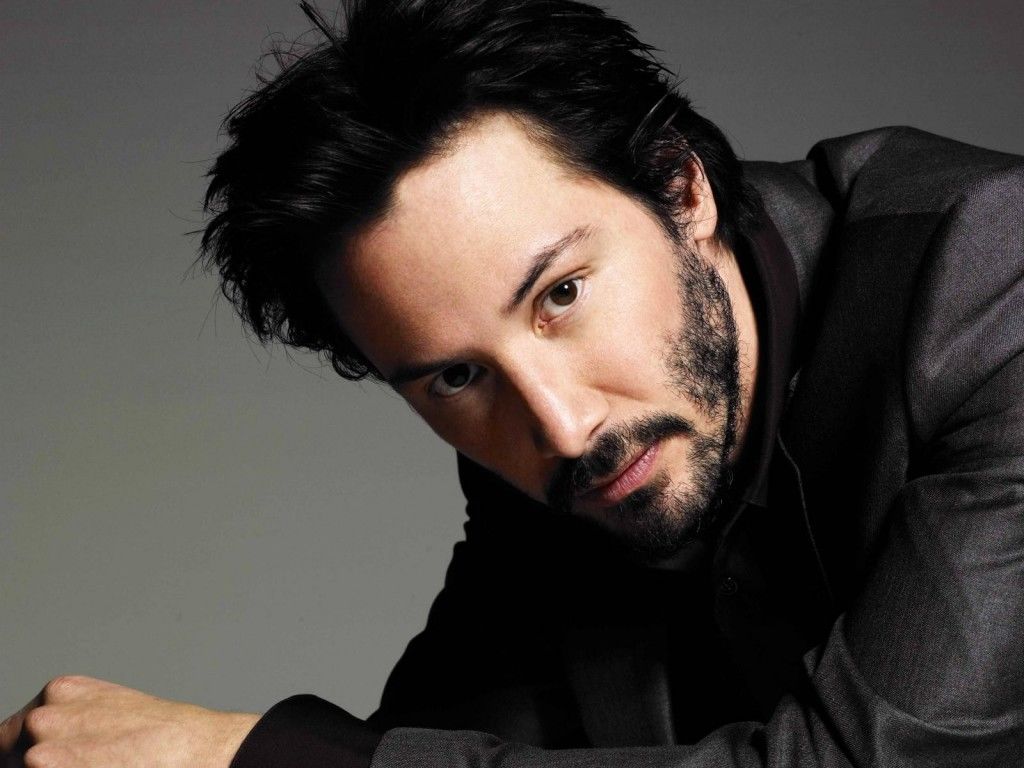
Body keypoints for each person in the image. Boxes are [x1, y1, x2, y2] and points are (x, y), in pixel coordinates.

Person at [2, 0, 1022, 766]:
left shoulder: (991, 282)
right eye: (455, 375)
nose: (562, 425)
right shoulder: (548, 457)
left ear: (682, 187)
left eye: (561, 294)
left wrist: (244, 755)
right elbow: (428, 743)